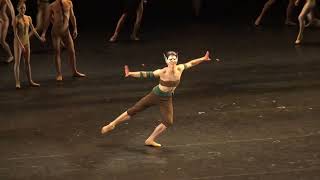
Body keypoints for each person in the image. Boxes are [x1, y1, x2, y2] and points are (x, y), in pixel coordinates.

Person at [101, 51, 214, 147]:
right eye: (170, 59)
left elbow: (191, 63)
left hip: (166, 99)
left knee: (168, 122)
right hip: (155, 95)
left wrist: (203, 58)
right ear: (166, 61)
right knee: (134, 110)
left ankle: (150, 140)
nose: (173, 61)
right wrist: (131, 73)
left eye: (174, 59)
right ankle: (112, 124)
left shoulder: (180, 68)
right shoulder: (162, 72)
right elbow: (145, 74)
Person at [41, 0, 85, 81]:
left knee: (72, 51)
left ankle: (74, 71)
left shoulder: (69, 3)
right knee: (57, 52)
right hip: (56, 32)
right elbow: (47, 20)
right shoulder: (52, 6)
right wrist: (43, 33)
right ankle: (59, 74)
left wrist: (75, 28)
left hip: (66, 32)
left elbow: (72, 16)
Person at [14, 0, 45, 89]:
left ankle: (30, 81)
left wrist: (39, 38)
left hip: (26, 42)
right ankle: (17, 82)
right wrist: (21, 45)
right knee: (17, 63)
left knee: (27, 62)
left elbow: (33, 29)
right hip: (18, 42)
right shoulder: (16, 19)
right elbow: (15, 34)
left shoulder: (28, 18)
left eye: (24, 8)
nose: (23, 10)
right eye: (21, 8)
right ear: (17, 9)